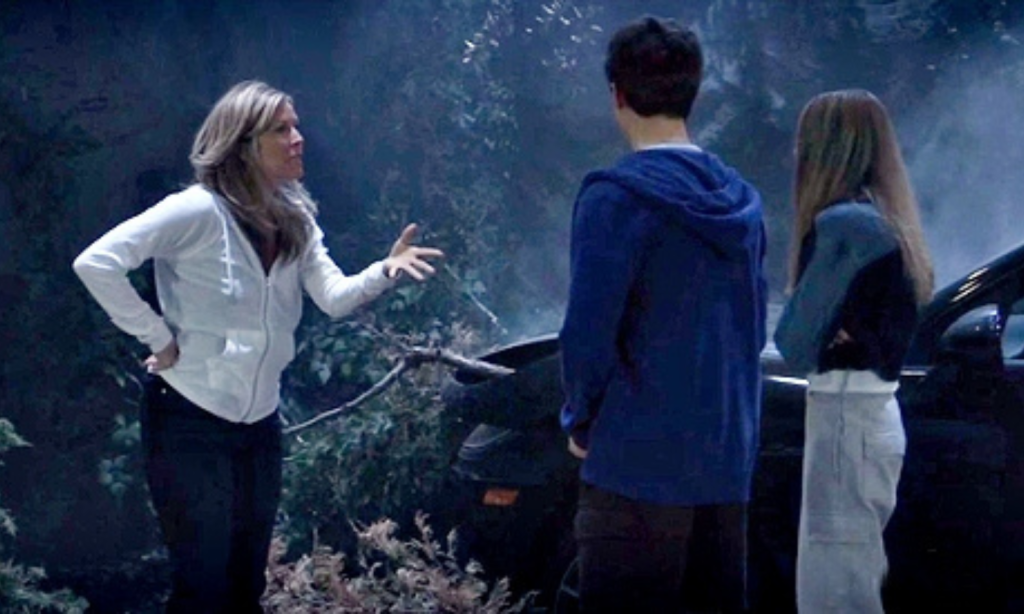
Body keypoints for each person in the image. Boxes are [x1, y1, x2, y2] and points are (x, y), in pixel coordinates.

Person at [72, 80, 443, 613]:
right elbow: (95, 263)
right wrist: (156, 336)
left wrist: (386, 270)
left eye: (296, 126)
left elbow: (334, 298)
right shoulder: (196, 211)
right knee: (202, 587)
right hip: (188, 419)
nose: (298, 138)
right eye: (281, 129)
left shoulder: (295, 219)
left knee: (245, 586)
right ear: (244, 144)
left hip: (259, 426)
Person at [558, 16, 767, 613]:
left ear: (617, 95)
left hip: (635, 467)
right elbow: (751, 331)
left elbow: (588, 333)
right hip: (725, 466)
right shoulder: (743, 202)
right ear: (693, 93)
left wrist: (580, 422)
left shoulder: (614, 198)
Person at [774, 89, 934, 613]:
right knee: (852, 583)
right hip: (871, 417)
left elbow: (795, 342)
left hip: (845, 420)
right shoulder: (889, 224)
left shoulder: (845, 227)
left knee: (834, 595)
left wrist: (825, 327)